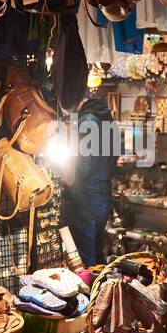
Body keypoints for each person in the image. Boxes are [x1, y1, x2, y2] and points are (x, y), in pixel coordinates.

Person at [60, 96, 117, 267]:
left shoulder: (86, 121)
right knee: (97, 256)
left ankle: (90, 293)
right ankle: (102, 292)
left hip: (84, 200)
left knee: (85, 261)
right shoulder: (109, 123)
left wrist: (66, 175)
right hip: (102, 199)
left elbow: (83, 165)